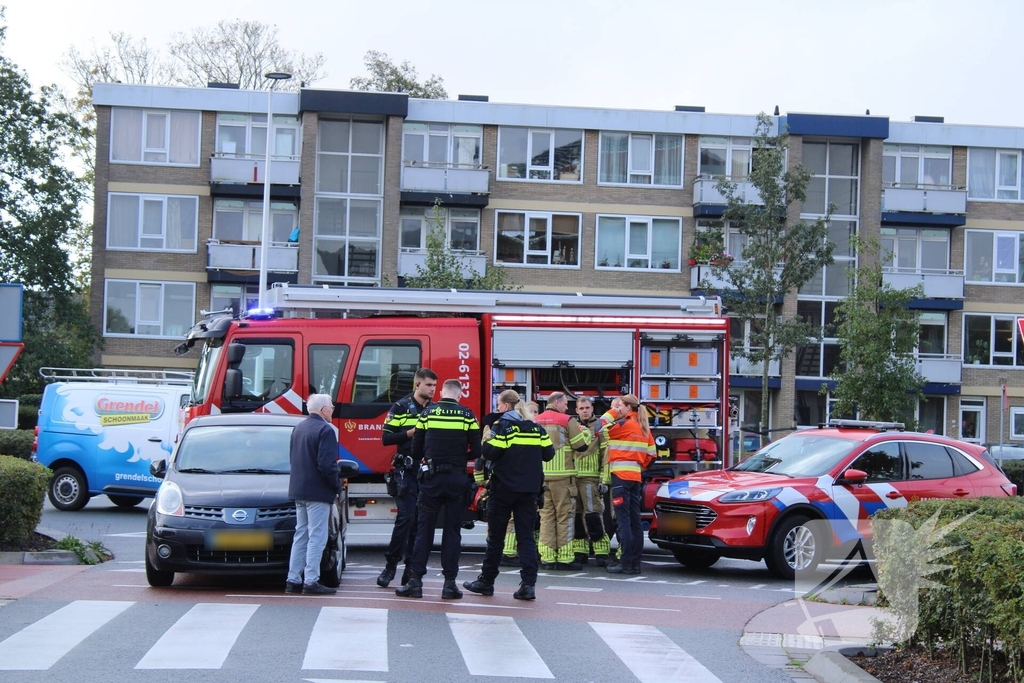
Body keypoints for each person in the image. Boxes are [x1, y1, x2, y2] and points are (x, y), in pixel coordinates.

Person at [463, 390, 554, 600]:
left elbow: (489, 452)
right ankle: (528, 585)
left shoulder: (502, 427)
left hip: (503, 490)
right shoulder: (536, 429)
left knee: (496, 539)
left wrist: (487, 438)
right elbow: (549, 454)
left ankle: (486, 582)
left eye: (498, 404)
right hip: (529, 492)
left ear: (505, 405)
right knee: (526, 539)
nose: (497, 408)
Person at [396, 379, 481, 599]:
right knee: (452, 532)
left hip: (431, 479)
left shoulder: (427, 414)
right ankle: (449, 584)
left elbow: (415, 450)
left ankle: (415, 582)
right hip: (456, 479)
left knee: (424, 530)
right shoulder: (467, 415)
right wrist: (460, 457)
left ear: (442, 392)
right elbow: (478, 449)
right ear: (459, 395)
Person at [376, 368, 438, 588]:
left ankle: (410, 571)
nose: (432, 389)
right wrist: (411, 432)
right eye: (429, 385)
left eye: (434, 385)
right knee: (406, 518)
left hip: (427, 473)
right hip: (406, 470)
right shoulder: (401, 407)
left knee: (420, 524)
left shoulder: (435, 409)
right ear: (417, 385)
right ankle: (390, 566)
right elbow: (386, 438)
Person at [286, 394, 341, 595]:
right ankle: (311, 580)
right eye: (332, 407)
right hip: (318, 491)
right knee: (317, 536)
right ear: (324, 409)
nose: (333, 411)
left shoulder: (299, 428)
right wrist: (335, 485)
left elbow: (293, 458)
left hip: (298, 489)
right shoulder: (325, 430)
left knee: (301, 534)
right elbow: (327, 465)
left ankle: (293, 579)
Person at [597, 394, 655, 575]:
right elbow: (652, 455)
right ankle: (635, 563)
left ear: (629, 408)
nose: (619, 408)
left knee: (623, 521)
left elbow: (598, 428)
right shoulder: (644, 427)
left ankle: (626, 562)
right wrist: (638, 466)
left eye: (621, 406)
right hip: (635, 477)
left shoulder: (623, 424)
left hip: (621, 478)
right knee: (635, 521)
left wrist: (613, 411)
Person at [534, 391, 591, 569]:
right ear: (558, 402)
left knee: (546, 517)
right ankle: (565, 558)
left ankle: (548, 558)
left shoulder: (536, 421)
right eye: (566, 403)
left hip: (542, 478)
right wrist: (586, 433)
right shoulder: (567, 420)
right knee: (565, 517)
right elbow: (581, 446)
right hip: (563, 478)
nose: (567, 407)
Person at [572, 396, 612, 566]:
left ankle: (601, 552)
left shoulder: (600, 427)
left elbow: (606, 456)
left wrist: (604, 478)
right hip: (573, 478)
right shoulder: (571, 426)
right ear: (576, 410)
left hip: (591, 478)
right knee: (575, 517)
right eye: (581, 409)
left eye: (587, 408)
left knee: (593, 515)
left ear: (592, 408)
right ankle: (580, 551)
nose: (585, 411)